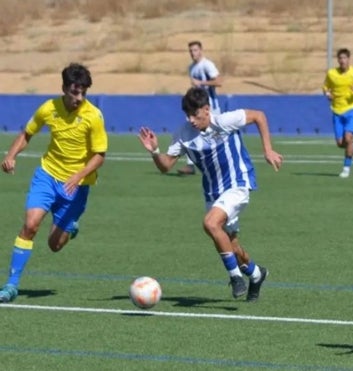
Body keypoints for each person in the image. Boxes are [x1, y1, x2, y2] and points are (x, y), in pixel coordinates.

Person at [138, 87, 282, 301]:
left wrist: (268, 149)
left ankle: (235, 277)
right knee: (231, 244)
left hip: (237, 184)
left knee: (210, 224)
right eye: (188, 116)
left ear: (206, 109)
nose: (191, 120)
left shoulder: (224, 121)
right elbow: (166, 166)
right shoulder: (183, 134)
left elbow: (258, 116)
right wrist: (155, 151)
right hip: (212, 193)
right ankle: (255, 274)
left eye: (195, 115)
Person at [0, 63, 108, 303]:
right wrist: (10, 155)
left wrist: (78, 176)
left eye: (83, 93)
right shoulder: (49, 108)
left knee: (54, 245)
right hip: (47, 176)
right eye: (74, 92)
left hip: (76, 187)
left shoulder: (93, 116)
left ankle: (69, 227)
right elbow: (27, 133)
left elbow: (100, 155)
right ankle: (11, 285)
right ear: (64, 88)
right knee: (30, 226)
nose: (79, 98)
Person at [178, 40, 224, 176]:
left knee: (216, 136)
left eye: (195, 50)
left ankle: (220, 163)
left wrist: (201, 82)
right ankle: (190, 165)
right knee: (192, 132)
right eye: (191, 51)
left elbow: (219, 81)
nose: (193, 53)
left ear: (201, 50)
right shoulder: (191, 67)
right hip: (197, 110)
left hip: (210, 109)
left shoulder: (207, 65)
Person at [322, 48, 353, 178]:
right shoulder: (332, 74)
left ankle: (346, 168)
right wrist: (327, 94)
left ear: (349, 59)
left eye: (345, 58)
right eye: (340, 58)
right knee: (340, 143)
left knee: (348, 138)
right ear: (337, 60)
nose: (342, 61)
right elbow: (325, 87)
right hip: (337, 111)